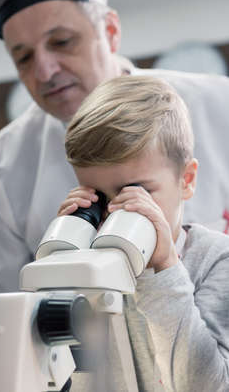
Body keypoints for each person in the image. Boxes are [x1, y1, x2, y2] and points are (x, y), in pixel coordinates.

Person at [0, 0, 229, 390]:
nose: (45, 70)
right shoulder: (2, 163)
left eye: (62, 41)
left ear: (111, 31)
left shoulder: (220, 108)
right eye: (23, 56)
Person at [58, 75, 229, 391]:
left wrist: (164, 270)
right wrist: (63, 270)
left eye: (135, 192)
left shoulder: (217, 260)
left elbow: (207, 385)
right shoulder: (92, 269)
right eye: (98, 198)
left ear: (186, 180)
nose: (114, 212)